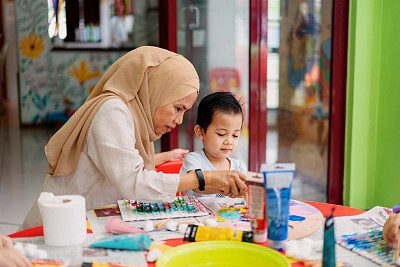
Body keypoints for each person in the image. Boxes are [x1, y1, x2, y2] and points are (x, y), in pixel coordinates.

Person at [21, 46, 247, 229]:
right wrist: (204, 179)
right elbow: (134, 182)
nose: (179, 120)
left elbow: (129, 167)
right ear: (157, 90)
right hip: (56, 229)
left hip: (90, 224)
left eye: (184, 112)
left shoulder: (138, 119)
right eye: (177, 108)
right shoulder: (113, 112)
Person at [180, 91, 247, 198]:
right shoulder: (194, 160)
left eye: (235, 135)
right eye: (221, 134)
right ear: (200, 132)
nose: (229, 141)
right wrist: (226, 186)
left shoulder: (238, 167)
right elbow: (196, 185)